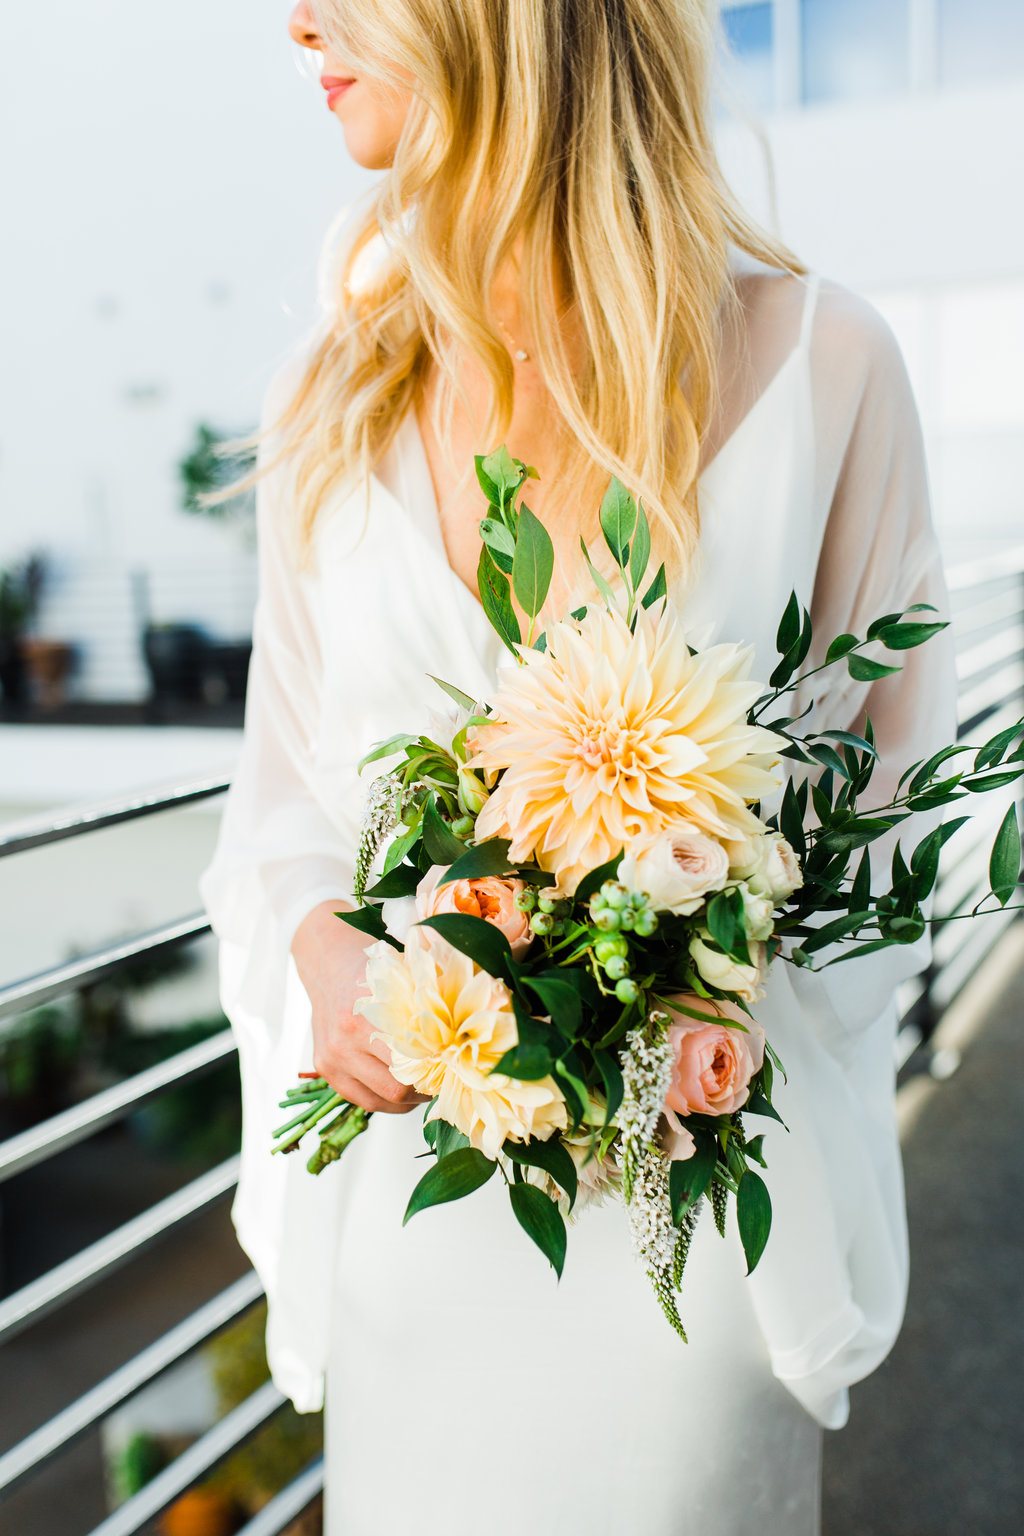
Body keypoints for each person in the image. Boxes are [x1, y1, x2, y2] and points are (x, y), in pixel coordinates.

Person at [200, 2, 958, 1531]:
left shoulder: (826, 363)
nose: (300, 23)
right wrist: (324, 951)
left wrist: (706, 944)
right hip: (418, 1245)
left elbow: (908, 821)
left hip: (687, 1261)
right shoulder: (331, 397)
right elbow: (280, 800)